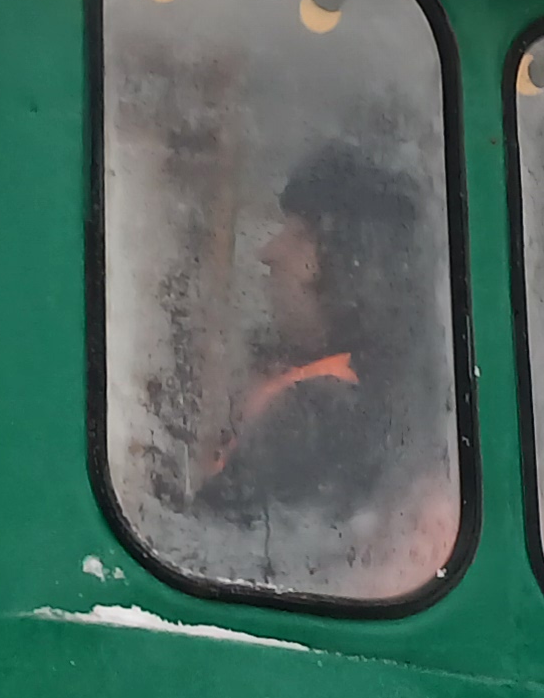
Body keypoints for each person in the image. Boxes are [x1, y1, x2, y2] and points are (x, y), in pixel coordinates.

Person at [193, 142, 458, 594]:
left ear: (352, 266)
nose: (268, 253)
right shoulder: (395, 399)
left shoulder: (323, 412)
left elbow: (192, 552)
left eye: (297, 237)